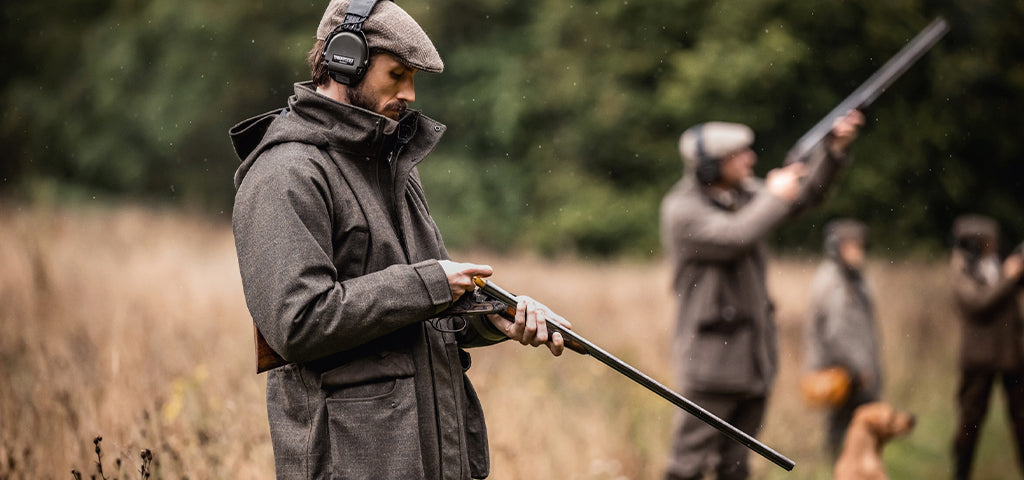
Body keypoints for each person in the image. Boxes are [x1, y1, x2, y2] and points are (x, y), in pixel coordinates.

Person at [229, 1, 568, 479]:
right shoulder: (286, 174)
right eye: (397, 74)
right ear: (345, 60)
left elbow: (420, 315)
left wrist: (497, 319)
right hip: (355, 463)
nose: (408, 93)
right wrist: (429, 283)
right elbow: (299, 322)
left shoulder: (392, 168)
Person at [659, 110, 864, 480]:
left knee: (736, 468)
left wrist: (832, 151)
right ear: (709, 167)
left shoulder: (746, 195)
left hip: (754, 361)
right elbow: (735, 237)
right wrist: (772, 195)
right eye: (738, 154)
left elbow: (804, 197)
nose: (750, 158)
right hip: (710, 367)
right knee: (686, 467)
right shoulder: (681, 210)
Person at [949, 215, 1024, 480]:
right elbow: (977, 303)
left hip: (1010, 355)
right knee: (970, 421)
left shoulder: (998, 264)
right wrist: (1008, 277)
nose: (994, 244)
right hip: (978, 359)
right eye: (988, 240)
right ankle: (961, 474)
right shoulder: (960, 267)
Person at [804, 218, 882, 458]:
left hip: (846, 371)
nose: (859, 250)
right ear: (836, 247)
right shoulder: (836, 282)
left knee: (843, 430)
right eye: (852, 245)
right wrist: (860, 368)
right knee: (845, 433)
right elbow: (838, 333)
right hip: (844, 373)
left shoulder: (847, 277)